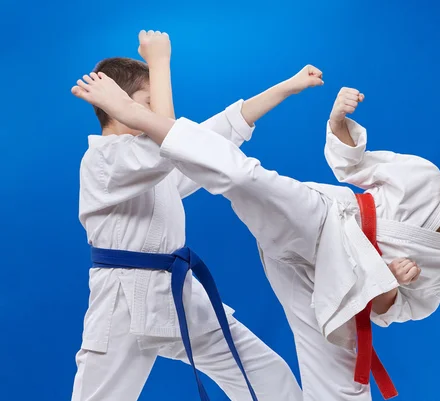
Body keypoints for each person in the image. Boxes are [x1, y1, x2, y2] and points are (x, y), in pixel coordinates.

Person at [70, 71, 440, 401]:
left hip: (339, 293)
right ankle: (145, 118)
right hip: (321, 222)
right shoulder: (423, 175)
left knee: (340, 396)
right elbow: (353, 165)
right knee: (247, 178)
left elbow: (399, 311)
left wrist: (391, 289)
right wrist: (338, 121)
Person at [71, 30, 324, 401]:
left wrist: (285, 88)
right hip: (122, 302)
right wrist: (159, 62)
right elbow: (168, 146)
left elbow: (211, 139)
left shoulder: (150, 163)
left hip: (179, 296)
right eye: (147, 102)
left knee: (266, 376)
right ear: (116, 105)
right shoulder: (105, 160)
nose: (156, 112)